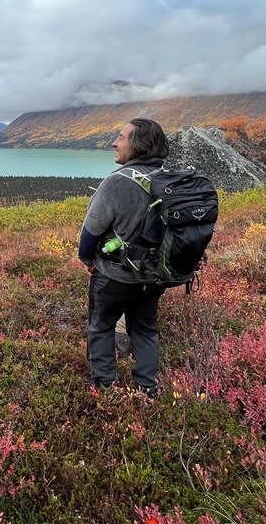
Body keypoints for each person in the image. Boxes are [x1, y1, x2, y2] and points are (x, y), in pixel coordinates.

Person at [78, 118, 169, 398]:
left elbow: (90, 232)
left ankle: (106, 389)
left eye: (121, 137)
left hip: (114, 276)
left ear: (139, 146)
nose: (114, 143)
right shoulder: (171, 181)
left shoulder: (117, 183)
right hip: (154, 276)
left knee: (101, 326)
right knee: (145, 330)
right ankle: (147, 391)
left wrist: (87, 261)